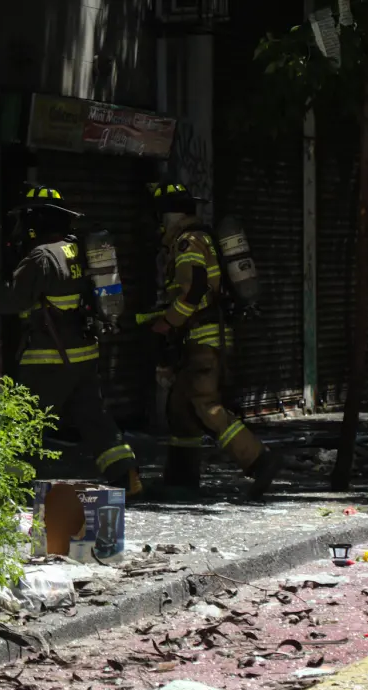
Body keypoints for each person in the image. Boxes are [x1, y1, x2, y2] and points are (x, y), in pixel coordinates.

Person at [0, 186, 143, 498]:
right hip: (84, 355)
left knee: (23, 420)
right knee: (95, 419)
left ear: (36, 221)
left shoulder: (41, 257)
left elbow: (12, 301)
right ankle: (127, 472)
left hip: (49, 358)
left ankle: (9, 488)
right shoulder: (79, 249)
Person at [145, 183, 282, 498]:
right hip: (200, 336)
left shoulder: (188, 242)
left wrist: (167, 323)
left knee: (206, 405)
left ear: (168, 215)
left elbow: (193, 291)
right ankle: (180, 479)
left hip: (203, 338)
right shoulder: (197, 237)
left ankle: (260, 460)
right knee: (180, 408)